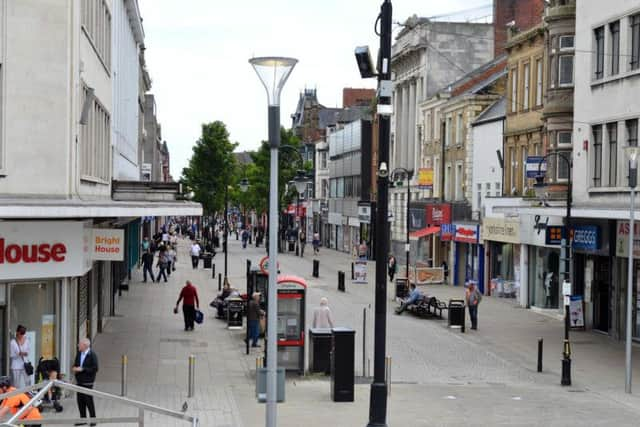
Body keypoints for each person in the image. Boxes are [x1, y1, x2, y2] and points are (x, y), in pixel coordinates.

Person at [72, 338, 98, 426]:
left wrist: (83, 369)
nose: (78, 345)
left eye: (79, 344)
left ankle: (93, 419)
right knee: (80, 400)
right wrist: (74, 368)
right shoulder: (79, 353)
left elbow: (95, 368)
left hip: (88, 382)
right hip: (79, 381)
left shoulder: (92, 355)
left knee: (88, 400)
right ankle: (82, 418)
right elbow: (76, 364)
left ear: (85, 346)